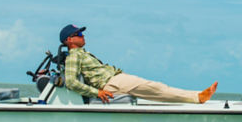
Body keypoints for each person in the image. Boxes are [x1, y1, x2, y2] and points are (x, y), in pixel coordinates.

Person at [58, 24, 219, 104]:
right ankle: (198, 97)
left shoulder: (80, 53)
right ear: (69, 40)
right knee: (155, 87)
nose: (83, 36)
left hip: (115, 79)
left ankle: (196, 95)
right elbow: (71, 82)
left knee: (154, 88)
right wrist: (97, 93)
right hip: (110, 83)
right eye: (78, 34)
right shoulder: (73, 56)